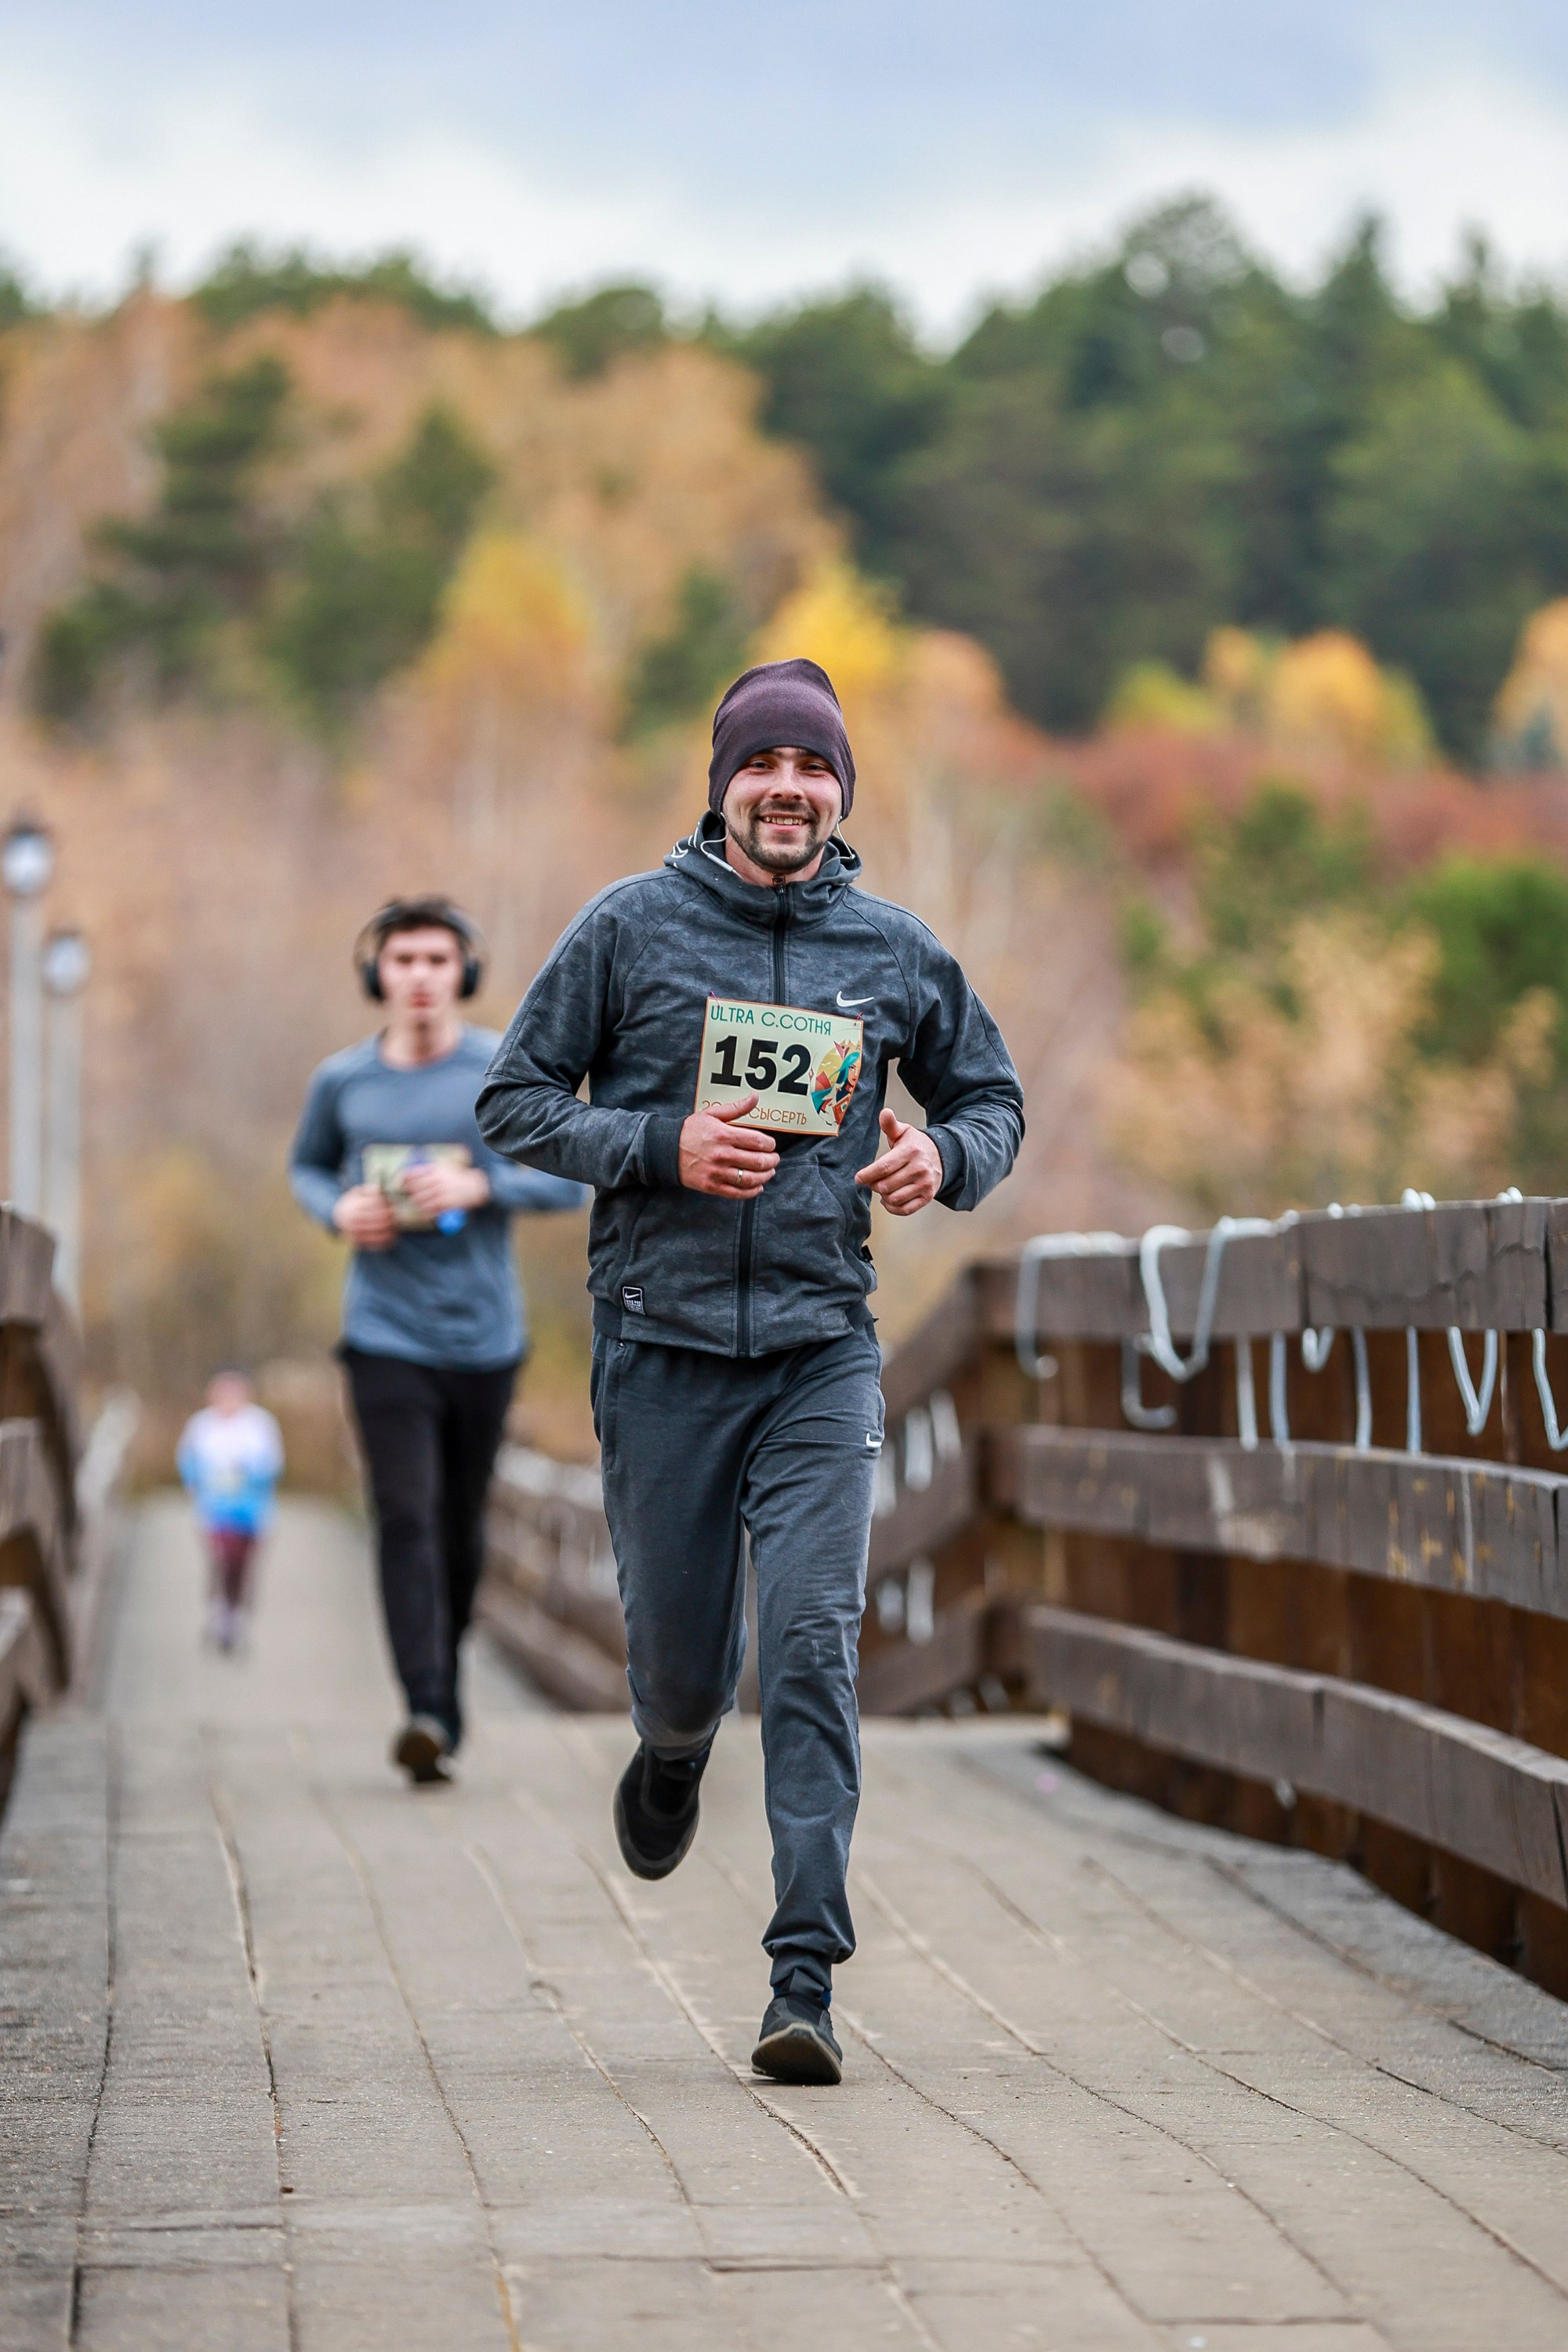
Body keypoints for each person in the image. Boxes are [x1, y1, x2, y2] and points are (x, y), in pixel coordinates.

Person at [476, 659, 1023, 2083]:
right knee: (681, 1671)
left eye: (815, 772)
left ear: (840, 793)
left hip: (819, 1350)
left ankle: (803, 1977)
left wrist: (939, 1156)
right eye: (763, 770)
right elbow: (514, 1101)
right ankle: (667, 1752)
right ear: (724, 786)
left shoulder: (895, 952)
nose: (790, 792)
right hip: (658, 1345)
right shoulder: (630, 929)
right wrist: (662, 1148)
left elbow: (990, 1098)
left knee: (811, 1649)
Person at [289, 896, 586, 1785]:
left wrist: (482, 1189)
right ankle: (424, 1704)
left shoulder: (502, 1068)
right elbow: (307, 1167)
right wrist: (337, 1209)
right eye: (402, 958)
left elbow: (570, 1184)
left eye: (435, 958)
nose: (418, 975)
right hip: (382, 1331)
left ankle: (443, 1683)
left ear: (463, 971)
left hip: (485, 1339)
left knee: (459, 1527)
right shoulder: (343, 1083)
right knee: (405, 1515)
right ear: (376, 973)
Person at [177, 1369, 285, 1653]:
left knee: (243, 1566)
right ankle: (218, 1615)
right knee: (221, 1560)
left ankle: (237, 1618)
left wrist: (245, 1474)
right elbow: (188, 1463)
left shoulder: (260, 1424)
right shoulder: (201, 1425)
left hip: (251, 1511)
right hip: (214, 1510)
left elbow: (271, 1465)